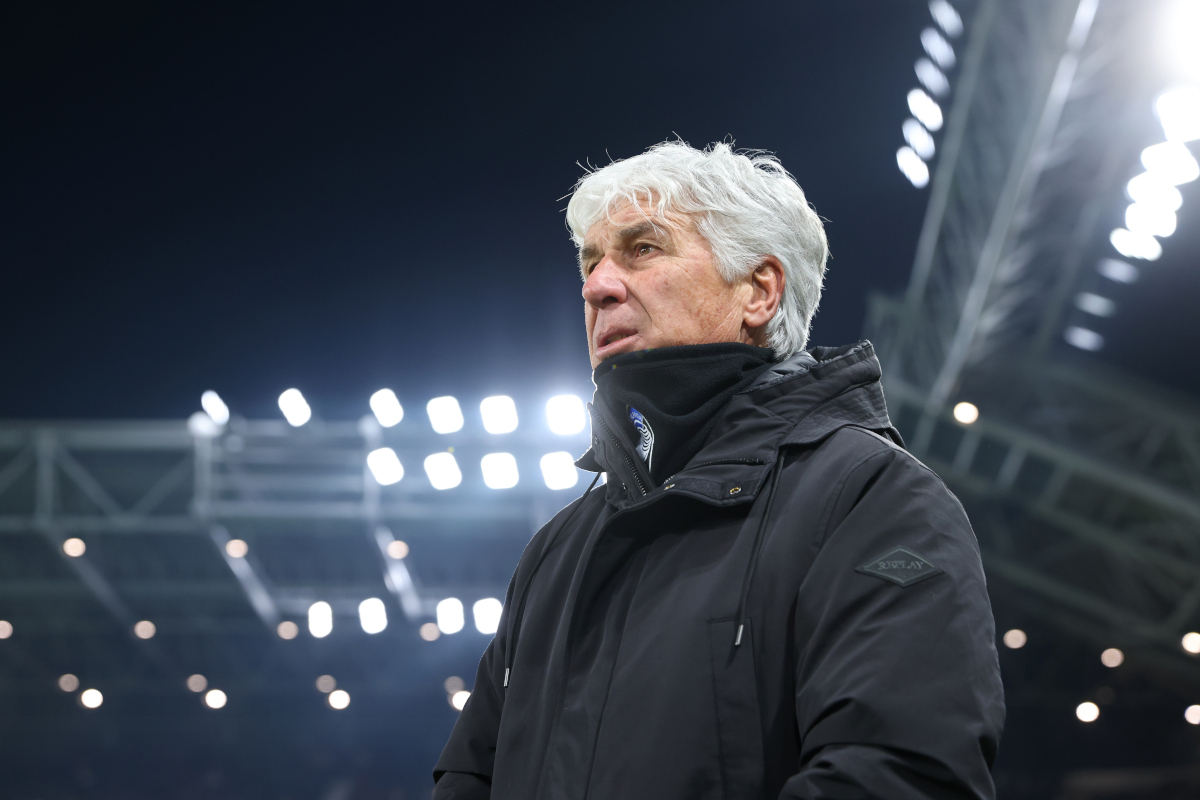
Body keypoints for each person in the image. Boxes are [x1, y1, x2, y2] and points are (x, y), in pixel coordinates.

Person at [433, 141, 1004, 799]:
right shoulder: (557, 550)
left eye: (643, 249)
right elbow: (469, 777)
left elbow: (900, 780)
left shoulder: (873, 500)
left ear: (760, 291)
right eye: (590, 263)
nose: (597, 286)